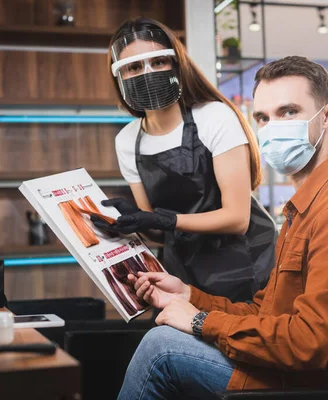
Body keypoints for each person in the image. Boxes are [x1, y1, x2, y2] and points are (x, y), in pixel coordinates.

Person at [118, 56, 328, 399]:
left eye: (288, 112)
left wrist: (200, 322)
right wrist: (188, 296)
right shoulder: (304, 209)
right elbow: (267, 313)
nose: (273, 127)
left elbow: (308, 343)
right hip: (299, 376)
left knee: (163, 348)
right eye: (263, 117)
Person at [93, 17, 277, 302]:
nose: (147, 73)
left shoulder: (213, 117)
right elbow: (158, 231)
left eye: (157, 62)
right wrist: (131, 222)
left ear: (175, 63)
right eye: (133, 67)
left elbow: (237, 218)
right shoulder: (127, 141)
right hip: (181, 275)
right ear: (119, 77)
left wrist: (164, 219)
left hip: (244, 270)